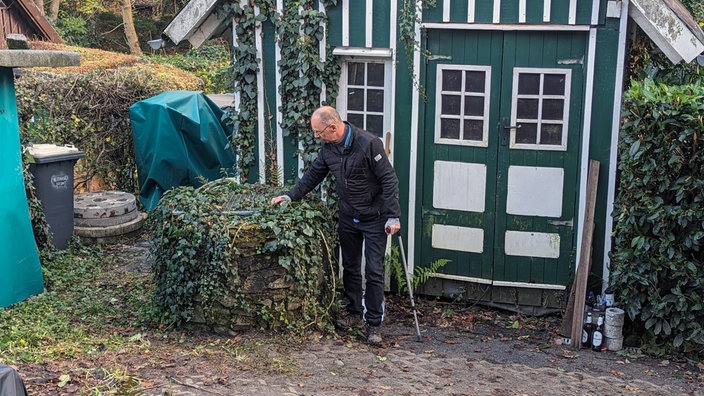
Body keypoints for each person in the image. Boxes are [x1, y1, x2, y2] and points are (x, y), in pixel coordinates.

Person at [271, 106, 401, 346]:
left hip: (375, 218)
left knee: (373, 271)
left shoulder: (368, 144)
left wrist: (393, 216)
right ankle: (354, 314)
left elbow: (388, 179)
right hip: (348, 216)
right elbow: (313, 174)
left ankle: (373, 324)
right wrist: (290, 196)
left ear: (332, 127)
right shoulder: (328, 148)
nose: (317, 136)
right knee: (350, 267)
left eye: (319, 132)